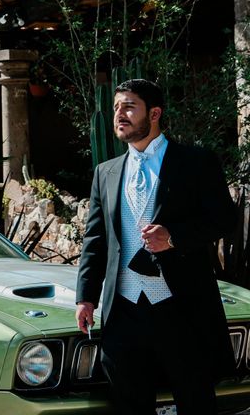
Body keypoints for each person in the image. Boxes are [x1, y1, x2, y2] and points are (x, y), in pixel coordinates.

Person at [75, 79, 236, 415]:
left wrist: (173, 236)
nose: (120, 114)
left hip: (181, 308)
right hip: (124, 311)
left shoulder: (195, 162)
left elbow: (225, 220)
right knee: (129, 404)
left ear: (155, 113)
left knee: (195, 403)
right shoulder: (106, 172)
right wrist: (86, 297)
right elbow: (96, 240)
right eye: (117, 107)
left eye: (129, 106)